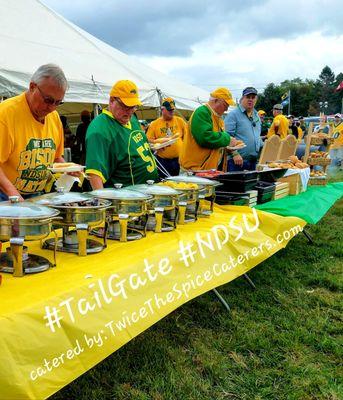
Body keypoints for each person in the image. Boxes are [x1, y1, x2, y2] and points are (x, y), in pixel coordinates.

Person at [0, 63, 67, 200]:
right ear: (32, 87)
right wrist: (15, 197)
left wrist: (68, 169)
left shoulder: (54, 118)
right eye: (48, 100)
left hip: (36, 194)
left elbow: (56, 157)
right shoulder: (6, 114)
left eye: (58, 102)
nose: (52, 108)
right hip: (5, 194)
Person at [85, 80, 158, 188]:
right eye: (125, 106)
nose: (130, 111)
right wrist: (101, 201)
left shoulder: (131, 118)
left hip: (149, 191)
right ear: (111, 101)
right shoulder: (99, 130)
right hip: (126, 199)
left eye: (133, 107)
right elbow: (94, 174)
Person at [179, 88, 238, 171]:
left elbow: (216, 141)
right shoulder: (202, 112)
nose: (226, 109)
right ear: (216, 101)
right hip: (194, 169)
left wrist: (228, 148)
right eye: (225, 105)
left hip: (207, 169)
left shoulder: (218, 118)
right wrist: (227, 139)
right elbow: (205, 138)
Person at [147, 97, 187, 177]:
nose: (172, 112)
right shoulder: (154, 124)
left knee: (178, 183)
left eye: (173, 110)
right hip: (162, 160)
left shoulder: (180, 121)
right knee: (164, 182)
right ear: (162, 109)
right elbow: (149, 140)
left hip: (179, 159)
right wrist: (157, 145)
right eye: (169, 110)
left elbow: (187, 137)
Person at [225, 87, 262, 171]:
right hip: (237, 161)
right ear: (242, 99)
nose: (250, 100)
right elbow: (227, 136)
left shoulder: (256, 115)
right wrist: (234, 154)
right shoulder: (233, 115)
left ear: (256, 99)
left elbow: (257, 136)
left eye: (253, 98)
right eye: (248, 97)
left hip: (253, 161)